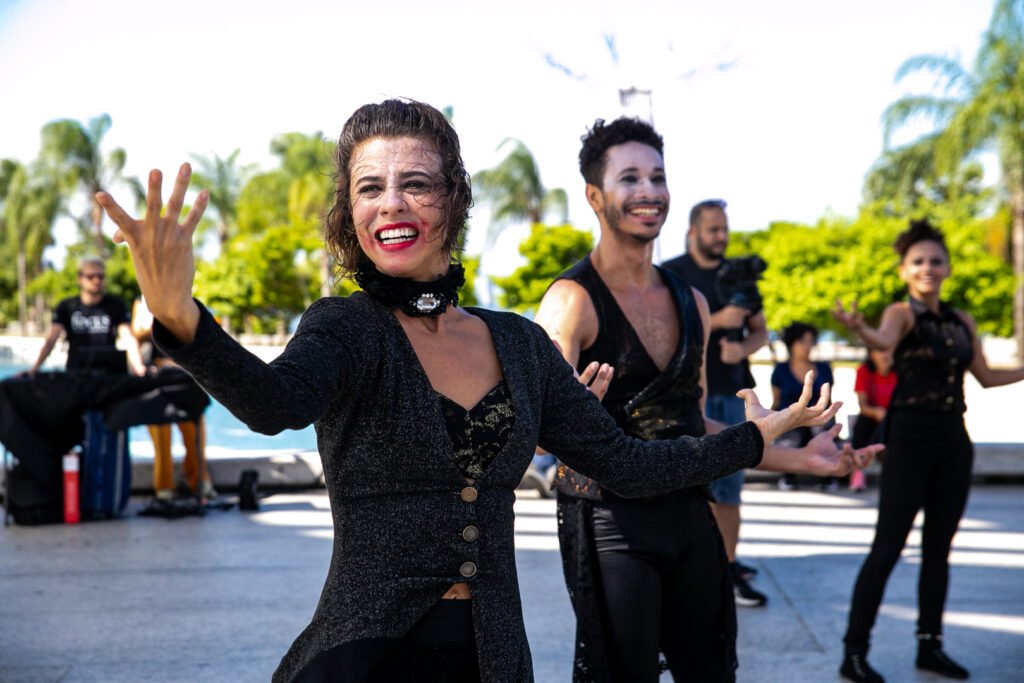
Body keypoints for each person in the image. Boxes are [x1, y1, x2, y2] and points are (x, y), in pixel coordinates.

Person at [97, 99, 848, 683]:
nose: (391, 203)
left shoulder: (519, 344)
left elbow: (629, 462)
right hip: (367, 653)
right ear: (348, 211)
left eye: (415, 183)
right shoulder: (344, 328)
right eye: (370, 188)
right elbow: (270, 401)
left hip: (490, 657)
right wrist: (177, 315)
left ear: (452, 199)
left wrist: (757, 436)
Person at [535, 117, 880, 682]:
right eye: (629, 178)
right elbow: (542, 428)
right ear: (595, 196)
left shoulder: (691, 301)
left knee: (711, 671)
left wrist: (799, 456)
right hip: (609, 524)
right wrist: (559, 416)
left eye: (658, 176)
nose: (648, 191)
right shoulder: (572, 300)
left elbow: (694, 427)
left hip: (691, 516)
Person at [833, 219, 1024, 683]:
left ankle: (930, 646)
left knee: (939, 549)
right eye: (918, 261)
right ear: (904, 270)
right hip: (910, 437)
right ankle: (854, 653)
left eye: (936, 260)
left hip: (953, 440)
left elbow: (986, 375)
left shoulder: (963, 321)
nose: (928, 268)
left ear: (949, 268)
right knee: (888, 547)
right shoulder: (902, 314)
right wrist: (860, 328)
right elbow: (882, 341)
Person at [662, 199, 769, 607]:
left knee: (728, 491)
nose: (721, 237)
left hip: (732, 395)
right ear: (693, 232)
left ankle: (726, 571)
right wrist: (716, 321)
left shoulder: (739, 274)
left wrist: (742, 346)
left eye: (724, 229)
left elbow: (761, 332)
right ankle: (682, 572)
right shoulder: (671, 273)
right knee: (681, 488)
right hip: (682, 394)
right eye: (713, 230)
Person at [131, 296, 216, 510]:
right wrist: (152, 320)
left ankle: (199, 482)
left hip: (186, 375)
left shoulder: (189, 301)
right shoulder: (141, 305)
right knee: (161, 436)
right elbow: (134, 337)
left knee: (194, 434)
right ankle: (164, 487)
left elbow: (210, 332)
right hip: (157, 376)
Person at [26, 255, 145, 376]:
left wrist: (138, 366)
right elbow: (51, 340)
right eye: (91, 276)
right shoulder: (66, 306)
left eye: (100, 276)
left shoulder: (116, 305)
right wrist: (34, 369)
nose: (96, 280)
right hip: (76, 375)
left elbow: (129, 338)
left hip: (109, 375)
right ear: (80, 278)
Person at [771, 322, 837, 492]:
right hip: (790, 419)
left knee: (823, 430)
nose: (807, 346)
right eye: (802, 341)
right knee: (789, 432)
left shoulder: (823, 368)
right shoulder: (781, 370)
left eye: (811, 341)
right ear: (791, 344)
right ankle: (788, 475)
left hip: (817, 417)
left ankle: (828, 475)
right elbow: (776, 401)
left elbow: (829, 399)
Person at [849, 348, 896, 492]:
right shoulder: (864, 371)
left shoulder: (900, 372)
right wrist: (877, 412)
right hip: (872, 418)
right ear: (871, 354)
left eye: (887, 350)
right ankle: (858, 472)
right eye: (880, 351)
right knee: (862, 424)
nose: (885, 354)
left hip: (894, 418)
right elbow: (863, 406)